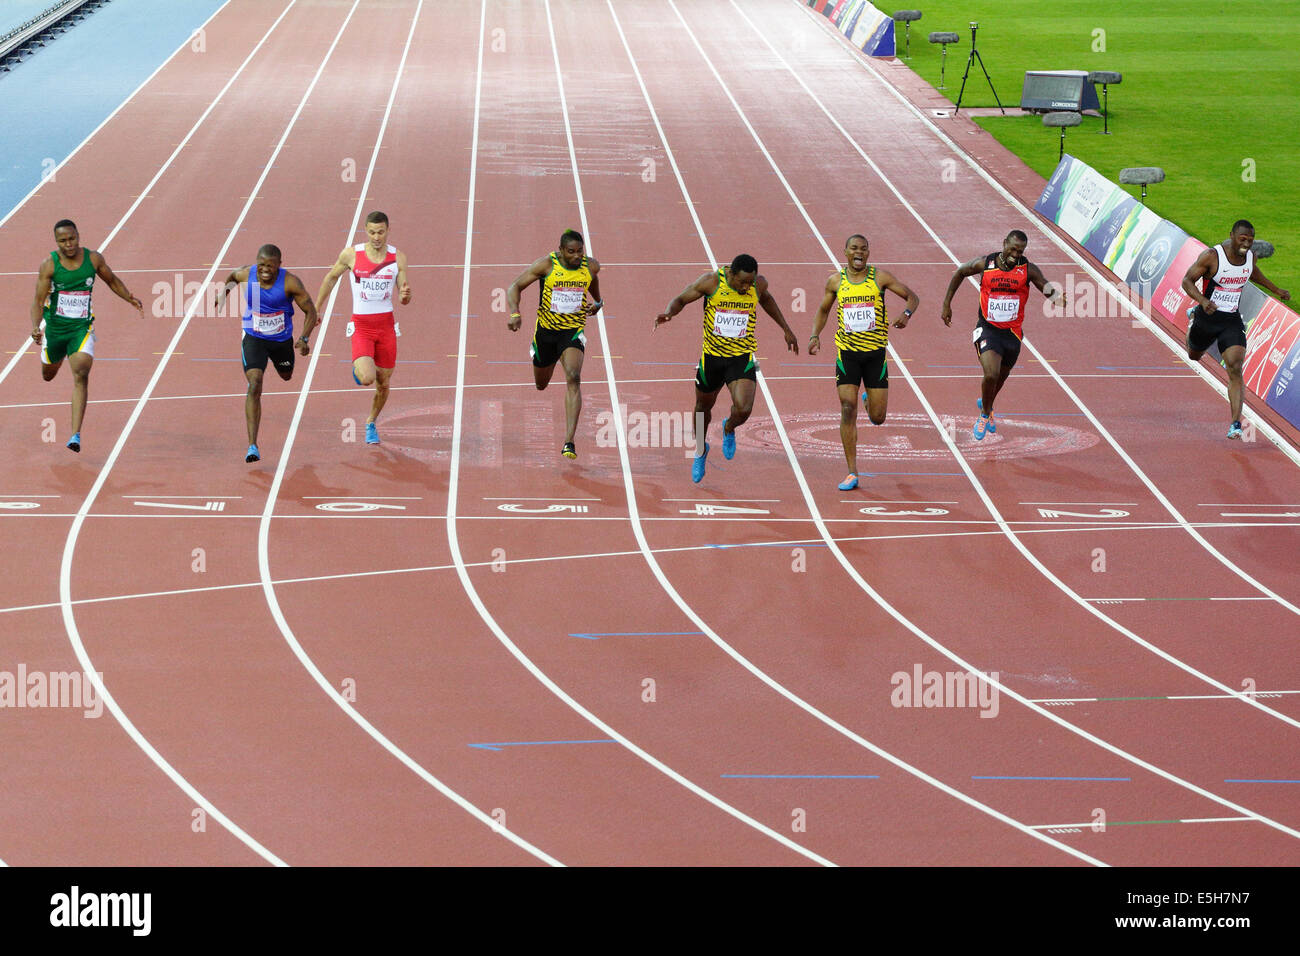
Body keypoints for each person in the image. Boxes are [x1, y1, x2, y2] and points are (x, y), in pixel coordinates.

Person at [655, 254, 798, 483]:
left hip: (740, 358)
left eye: (749, 283)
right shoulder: (711, 282)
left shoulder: (757, 285)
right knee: (703, 407)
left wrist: (786, 329)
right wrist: (669, 313)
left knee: (743, 408)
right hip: (712, 358)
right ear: (730, 274)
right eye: (742, 282)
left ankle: (729, 427)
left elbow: (767, 300)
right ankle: (701, 450)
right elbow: (681, 299)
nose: (746, 287)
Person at [809, 234, 919, 490]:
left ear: (868, 252)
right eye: (854, 248)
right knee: (847, 407)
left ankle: (869, 402)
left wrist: (906, 314)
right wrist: (815, 334)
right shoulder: (836, 281)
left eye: (863, 249)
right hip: (847, 354)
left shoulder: (880, 278)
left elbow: (912, 297)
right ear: (845, 251)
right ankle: (851, 472)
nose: (859, 252)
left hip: (875, 355)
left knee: (878, 418)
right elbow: (824, 310)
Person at [30, 219, 142, 453]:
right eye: (63, 241)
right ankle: (56, 359)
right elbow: (38, 300)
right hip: (55, 330)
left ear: (78, 235)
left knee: (81, 372)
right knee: (48, 375)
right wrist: (34, 327)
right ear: (56, 241)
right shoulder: (49, 265)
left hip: (81, 329)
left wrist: (129, 297)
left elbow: (111, 280)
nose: (68, 244)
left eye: (72, 238)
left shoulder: (93, 259)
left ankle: (75, 435)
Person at [941, 230, 1065, 440]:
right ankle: (984, 414)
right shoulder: (985, 264)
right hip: (988, 329)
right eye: (1012, 248)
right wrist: (946, 304)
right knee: (991, 374)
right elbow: (960, 272)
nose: (1015, 254)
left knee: (1000, 379)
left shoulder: (1028, 270)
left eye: (1020, 250)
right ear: (1004, 243)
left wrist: (1058, 298)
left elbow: (1045, 286)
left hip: (1013, 334)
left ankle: (986, 402)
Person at [1181, 220, 1290, 439]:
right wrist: (1202, 302)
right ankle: (1193, 317)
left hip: (1231, 320)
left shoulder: (1250, 257)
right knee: (1193, 356)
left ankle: (1235, 423)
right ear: (1232, 236)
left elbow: (1252, 273)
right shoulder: (1212, 257)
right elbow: (1187, 281)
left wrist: (1276, 289)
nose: (1246, 244)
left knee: (1235, 366)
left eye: (1250, 240)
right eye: (1242, 239)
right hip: (1207, 316)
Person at [214, 245, 318, 462]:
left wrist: (305, 337)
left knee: (286, 375)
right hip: (254, 336)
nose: (264, 270)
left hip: (281, 341)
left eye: (270, 266)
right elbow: (232, 276)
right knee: (254, 383)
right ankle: (253, 445)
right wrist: (223, 294)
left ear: (279, 265)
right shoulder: (246, 274)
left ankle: (282, 365)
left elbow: (310, 310)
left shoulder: (290, 282)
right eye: (261, 265)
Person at [316, 211, 411, 446]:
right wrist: (316, 308)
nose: (376, 237)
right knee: (367, 377)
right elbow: (330, 278)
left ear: (388, 230)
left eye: (380, 232)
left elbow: (404, 294)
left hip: (387, 327)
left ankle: (371, 421)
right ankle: (360, 369)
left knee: (384, 382)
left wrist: (406, 296)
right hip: (362, 326)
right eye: (371, 232)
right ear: (365, 231)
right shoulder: (352, 254)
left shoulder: (397, 258)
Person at [506, 229, 603, 460]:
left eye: (580, 251)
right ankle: (543, 360)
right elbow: (514, 287)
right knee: (541, 384)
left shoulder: (590, 266)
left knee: (574, 376)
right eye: (571, 252)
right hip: (546, 333)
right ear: (561, 251)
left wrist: (598, 302)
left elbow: (593, 282)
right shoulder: (546, 266)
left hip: (572, 332)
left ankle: (569, 442)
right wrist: (514, 313)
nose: (576, 256)